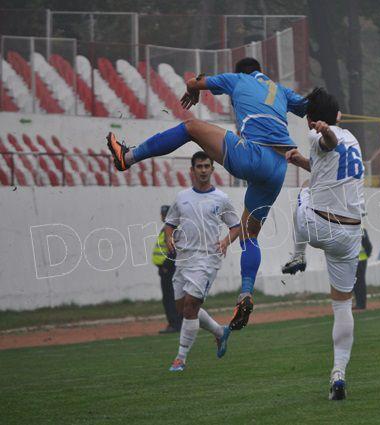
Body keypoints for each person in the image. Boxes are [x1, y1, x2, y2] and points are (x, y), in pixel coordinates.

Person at [106, 57, 308, 331]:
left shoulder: (237, 79)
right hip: (279, 167)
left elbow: (193, 82)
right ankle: (246, 292)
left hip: (253, 154)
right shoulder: (281, 90)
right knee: (249, 235)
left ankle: (127, 157)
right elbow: (308, 107)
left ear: (243, 72)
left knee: (190, 127)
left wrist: (193, 91)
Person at [285, 88, 365, 400]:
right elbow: (327, 163)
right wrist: (302, 161)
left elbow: (327, 143)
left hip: (321, 226)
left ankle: (298, 255)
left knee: (305, 191)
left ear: (310, 120)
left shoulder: (317, 134)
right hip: (351, 235)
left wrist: (324, 131)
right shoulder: (353, 139)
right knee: (342, 305)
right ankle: (338, 373)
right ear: (339, 115)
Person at [165, 151, 242, 372]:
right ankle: (219, 331)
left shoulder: (221, 198)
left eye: (207, 166)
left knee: (190, 306)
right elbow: (170, 223)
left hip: (207, 259)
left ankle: (180, 358)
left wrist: (225, 241)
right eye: (199, 166)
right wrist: (169, 238)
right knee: (183, 308)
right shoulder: (181, 197)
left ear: (212, 169)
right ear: (192, 170)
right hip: (184, 259)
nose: (203, 170)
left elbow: (235, 226)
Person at [152, 204, 182, 334]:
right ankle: (176, 323)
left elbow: (173, 250)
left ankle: (175, 324)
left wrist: (165, 266)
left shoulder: (170, 230)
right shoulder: (167, 228)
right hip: (166, 268)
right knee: (172, 296)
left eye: (164, 214)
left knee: (169, 298)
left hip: (168, 269)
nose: (163, 216)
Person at [354, 226, 372, 310]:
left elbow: (367, 245)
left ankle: (361, 304)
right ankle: (359, 303)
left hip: (360, 259)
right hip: (357, 259)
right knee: (356, 282)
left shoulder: (360, 230)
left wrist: (367, 255)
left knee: (359, 282)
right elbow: (368, 245)